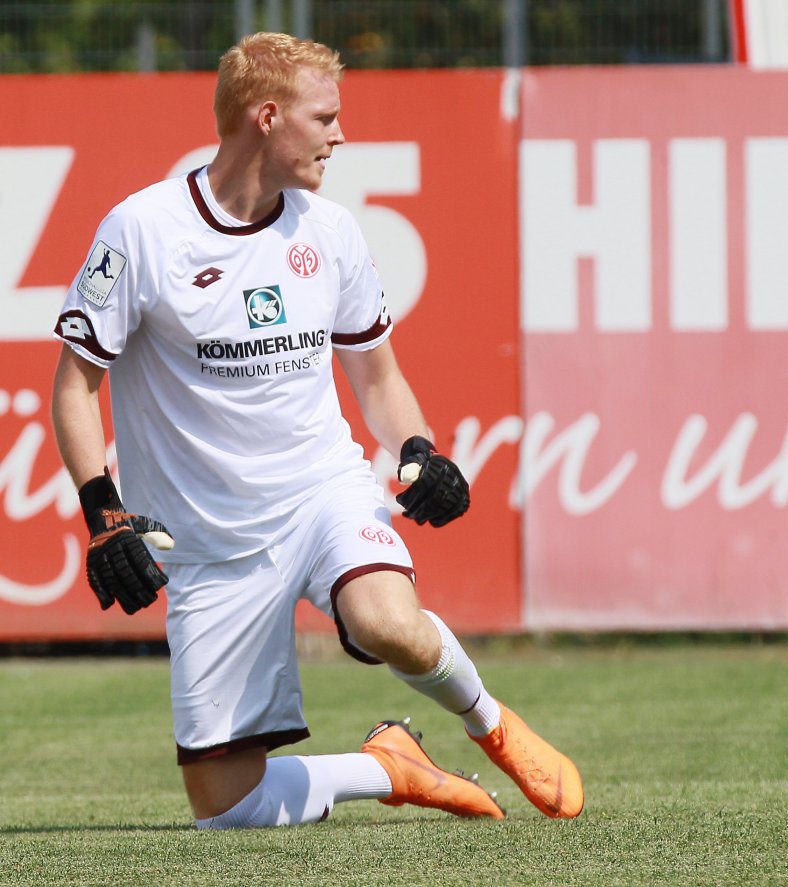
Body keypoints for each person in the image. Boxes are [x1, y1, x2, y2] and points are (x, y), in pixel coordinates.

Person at [50, 31, 583, 829]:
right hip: (210, 543)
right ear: (268, 117)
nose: (341, 135)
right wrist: (105, 513)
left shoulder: (329, 231)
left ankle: (488, 721)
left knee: (385, 624)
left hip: (319, 494)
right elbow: (73, 387)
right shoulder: (141, 230)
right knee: (225, 810)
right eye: (325, 117)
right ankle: (390, 767)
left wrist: (418, 449)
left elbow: (379, 377)